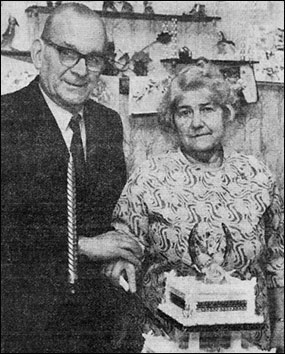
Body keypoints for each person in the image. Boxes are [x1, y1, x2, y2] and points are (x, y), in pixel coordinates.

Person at [104, 62, 284, 352]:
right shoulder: (149, 177)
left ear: (226, 113)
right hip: (169, 339)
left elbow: (278, 258)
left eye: (208, 109)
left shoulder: (257, 176)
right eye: (184, 112)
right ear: (172, 120)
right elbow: (122, 249)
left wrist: (282, 323)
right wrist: (120, 266)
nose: (196, 122)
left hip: (249, 340)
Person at [1, 3, 143, 353]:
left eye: (93, 59)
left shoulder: (108, 123)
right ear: (38, 53)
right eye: (67, 53)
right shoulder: (6, 119)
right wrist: (84, 246)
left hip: (97, 325)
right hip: (20, 322)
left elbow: (111, 215)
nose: (81, 70)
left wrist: (118, 255)